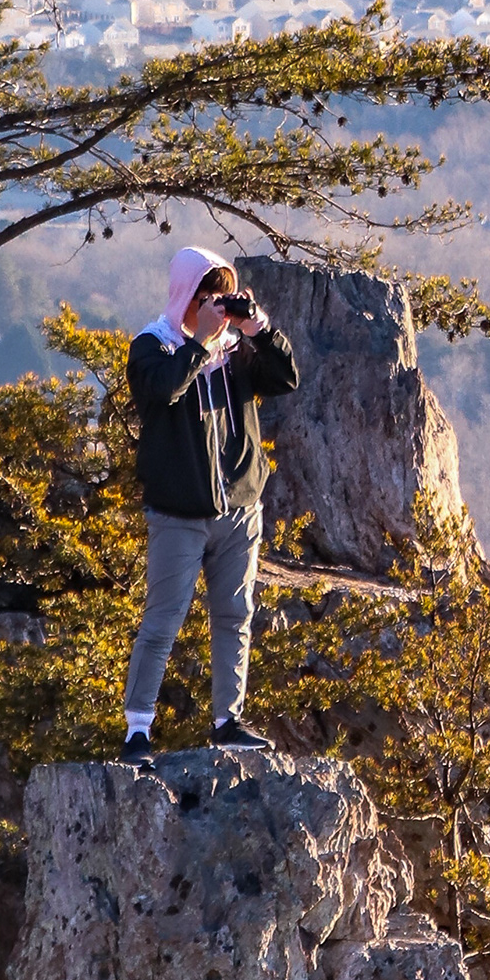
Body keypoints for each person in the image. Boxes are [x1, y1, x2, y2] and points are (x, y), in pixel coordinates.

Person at [118, 245, 300, 768]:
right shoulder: (152, 346)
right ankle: (137, 729)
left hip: (239, 508)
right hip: (178, 512)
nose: (218, 306)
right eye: (209, 296)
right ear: (185, 297)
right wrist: (197, 345)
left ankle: (228, 721)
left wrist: (258, 328)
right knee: (164, 619)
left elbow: (286, 378)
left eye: (224, 295)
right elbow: (161, 391)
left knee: (235, 614)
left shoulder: (236, 352)